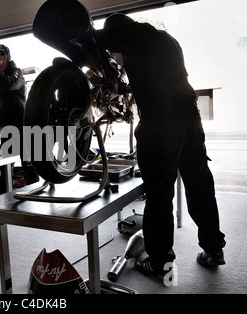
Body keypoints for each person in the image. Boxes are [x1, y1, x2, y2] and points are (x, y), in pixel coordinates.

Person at [92, 14, 226, 278]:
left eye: (114, 52)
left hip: (160, 124)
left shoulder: (130, 35)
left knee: (159, 195)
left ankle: (160, 261)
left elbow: (93, 39)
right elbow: (158, 78)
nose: (115, 56)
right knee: (200, 186)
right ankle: (213, 249)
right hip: (190, 119)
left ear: (117, 33)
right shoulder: (164, 40)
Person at [0, 44, 38, 199]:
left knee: (28, 161)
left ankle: (36, 192)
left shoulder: (15, 72)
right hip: (7, 122)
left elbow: (10, 83)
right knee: (6, 161)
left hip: (23, 122)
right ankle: (1, 192)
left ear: (4, 57)